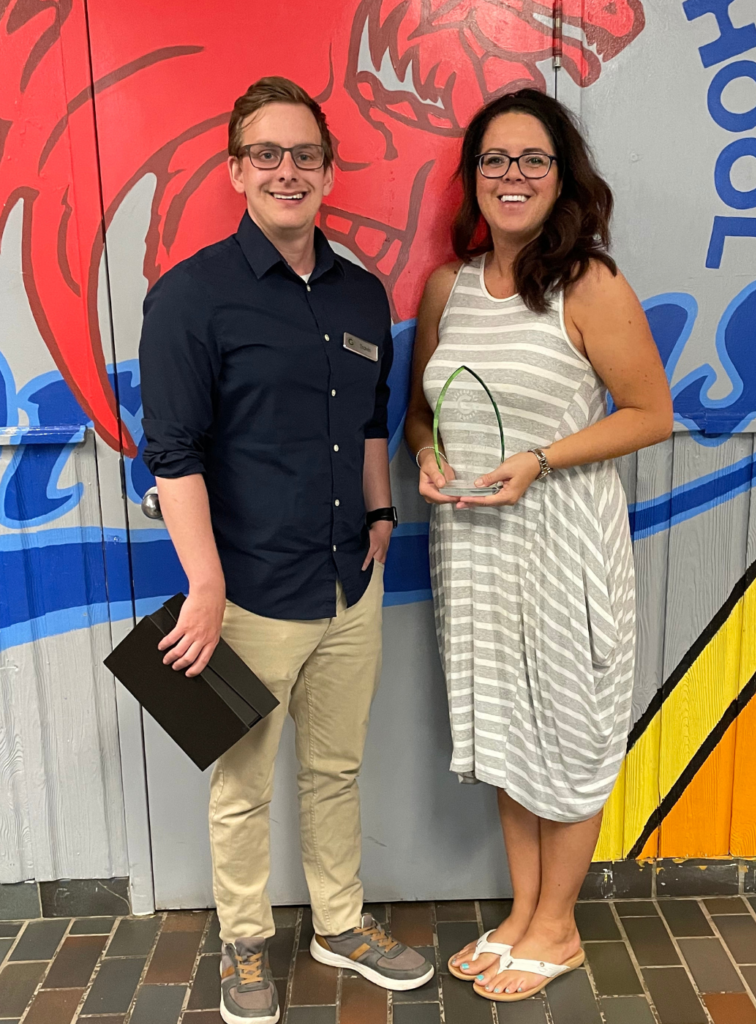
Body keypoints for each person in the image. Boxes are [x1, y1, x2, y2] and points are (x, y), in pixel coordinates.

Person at [139, 76, 434, 1024]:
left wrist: (382, 519)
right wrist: (205, 584)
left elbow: (376, 422)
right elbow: (172, 452)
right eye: (265, 154)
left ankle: (339, 925)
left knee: (335, 769)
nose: (287, 170)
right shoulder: (190, 299)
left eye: (304, 154)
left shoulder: (361, 292)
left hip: (351, 583)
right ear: (236, 171)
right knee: (241, 784)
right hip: (251, 595)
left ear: (328, 169)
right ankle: (244, 946)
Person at [404, 88, 673, 1004]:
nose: (511, 176)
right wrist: (431, 456)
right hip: (473, 550)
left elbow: (651, 415)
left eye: (532, 160)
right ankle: (523, 914)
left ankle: (558, 928)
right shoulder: (447, 286)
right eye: (494, 160)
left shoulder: (589, 284)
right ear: (471, 177)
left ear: (563, 177)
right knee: (505, 731)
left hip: (563, 545)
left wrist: (539, 460)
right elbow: (419, 416)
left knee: (570, 725)